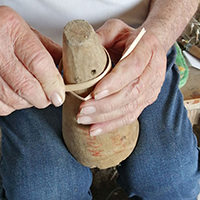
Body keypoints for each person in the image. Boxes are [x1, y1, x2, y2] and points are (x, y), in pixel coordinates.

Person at [0, 0, 199, 199]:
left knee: (174, 180)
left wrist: (160, 32)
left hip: (135, 40)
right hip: (20, 53)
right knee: (47, 190)